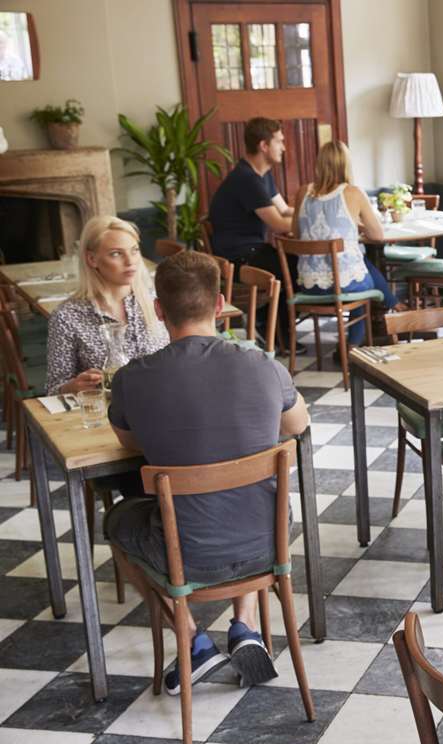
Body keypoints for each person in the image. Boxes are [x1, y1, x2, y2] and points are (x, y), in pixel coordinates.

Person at [105, 250, 311, 694]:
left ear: (159, 310)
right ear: (219, 304)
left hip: (187, 554)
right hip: (268, 541)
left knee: (117, 520)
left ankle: (193, 641)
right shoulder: (263, 365)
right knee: (249, 498)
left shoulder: (131, 379)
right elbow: (298, 425)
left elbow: (128, 442)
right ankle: (245, 625)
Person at [46, 215, 169, 395]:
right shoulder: (66, 316)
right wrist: (73, 387)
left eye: (134, 250)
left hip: (162, 401)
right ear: (92, 259)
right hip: (107, 409)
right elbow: (53, 389)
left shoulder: (157, 301)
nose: (130, 261)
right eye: (116, 254)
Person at [290, 140, 396, 348]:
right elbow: (377, 235)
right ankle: (351, 347)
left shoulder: (303, 192)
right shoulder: (353, 193)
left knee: (360, 265)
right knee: (360, 275)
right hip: (343, 285)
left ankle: (393, 303)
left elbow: (296, 233)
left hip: (308, 285)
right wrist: (358, 226)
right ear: (346, 164)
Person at [208, 117, 295, 335]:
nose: (284, 147)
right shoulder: (247, 179)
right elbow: (279, 224)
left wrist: (315, 212)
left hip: (250, 250)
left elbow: (284, 210)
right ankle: (277, 333)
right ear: (264, 145)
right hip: (238, 258)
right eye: (279, 141)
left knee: (292, 264)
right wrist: (312, 222)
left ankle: (271, 327)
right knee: (293, 269)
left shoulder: (262, 176)